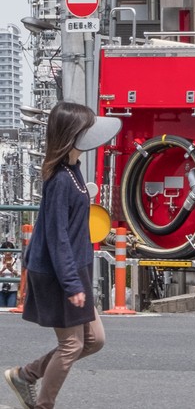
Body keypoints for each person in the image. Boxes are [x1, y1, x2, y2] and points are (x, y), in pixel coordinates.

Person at [6, 102, 121, 409]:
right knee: (71, 344)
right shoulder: (60, 179)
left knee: (94, 339)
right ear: (73, 134)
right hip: (59, 272)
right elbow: (58, 238)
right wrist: (72, 284)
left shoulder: (73, 171)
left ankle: (26, 375)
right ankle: (43, 403)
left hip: (73, 267)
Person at [0, 241, 17, 309]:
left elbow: (21, 275)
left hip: (12, 289)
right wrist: (2, 270)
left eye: (9, 250)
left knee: (11, 309)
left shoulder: (16, 261)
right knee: (1, 311)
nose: (7, 252)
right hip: (0, 289)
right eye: (5, 250)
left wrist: (12, 270)